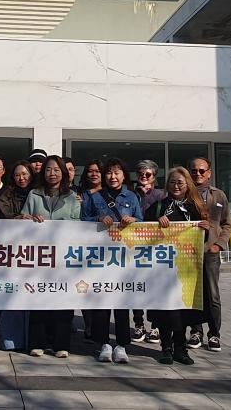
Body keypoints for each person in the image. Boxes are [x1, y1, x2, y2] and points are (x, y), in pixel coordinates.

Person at [19, 155, 81, 358]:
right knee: (38, 298)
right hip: (39, 256)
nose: (52, 173)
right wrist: (27, 218)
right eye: (48, 170)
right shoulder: (34, 194)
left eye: (56, 170)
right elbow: (22, 218)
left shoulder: (73, 197)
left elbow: (79, 224)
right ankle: (37, 342)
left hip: (64, 257)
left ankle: (60, 344)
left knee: (63, 299)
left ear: (63, 173)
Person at [82, 157, 142, 364]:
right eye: (109, 172)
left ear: (124, 175)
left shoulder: (132, 196)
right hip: (100, 257)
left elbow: (142, 221)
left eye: (117, 172)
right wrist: (98, 219)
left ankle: (122, 345)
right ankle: (104, 344)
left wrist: (134, 220)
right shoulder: (94, 196)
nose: (112, 176)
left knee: (122, 302)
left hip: (123, 257)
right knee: (101, 301)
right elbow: (83, 220)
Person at [147, 167, 207, 366]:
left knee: (183, 309)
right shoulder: (159, 207)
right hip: (163, 268)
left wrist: (205, 228)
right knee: (166, 309)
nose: (176, 186)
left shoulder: (195, 208)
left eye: (180, 182)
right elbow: (143, 230)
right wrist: (156, 221)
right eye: (172, 182)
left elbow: (204, 235)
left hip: (187, 268)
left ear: (188, 184)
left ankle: (180, 348)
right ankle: (166, 347)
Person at [186, 157, 231, 353]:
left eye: (202, 171)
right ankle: (196, 331)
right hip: (189, 253)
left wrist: (219, 245)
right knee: (193, 293)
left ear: (209, 173)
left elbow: (227, 223)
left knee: (212, 294)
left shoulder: (218, 195)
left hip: (210, 252)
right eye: (194, 170)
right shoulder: (184, 194)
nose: (198, 174)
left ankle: (214, 333)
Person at [0, 159, 34, 350]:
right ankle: (11, 340)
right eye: (18, 174)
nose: (22, 178)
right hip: (12, 251)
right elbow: (2, 218)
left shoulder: (38, 193)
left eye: (25, 174)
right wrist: (17, 218)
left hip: (37, 252)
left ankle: (34, 340)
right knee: (12, 294)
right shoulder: (6, 195)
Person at [131, 159, 166, 344]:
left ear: (154, 176)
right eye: (141, 174)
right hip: (133, 246)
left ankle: (156, 326)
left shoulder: (161, 195)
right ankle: (138, 323)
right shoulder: (130, 194)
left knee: (154, 287)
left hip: (155, 246)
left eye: (148, 174)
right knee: (136, 286)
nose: (144, 177)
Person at [78, 159, 103, 343]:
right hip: (86, 245)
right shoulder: (80, 194)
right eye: (90, 171)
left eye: (98, 171)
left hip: (108, 247)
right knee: (86, 287)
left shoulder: (110, 193)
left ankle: (100, 327)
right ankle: (88, 324)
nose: (94, 174)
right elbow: (80, 219)